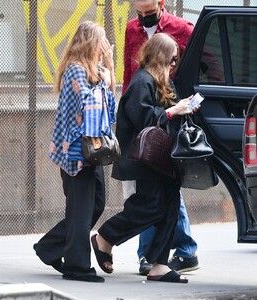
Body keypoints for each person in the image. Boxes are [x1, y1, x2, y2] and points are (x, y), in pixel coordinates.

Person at [91, 32, 199, 284]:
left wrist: (186, 107)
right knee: (150, 206)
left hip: (164, 158)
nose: (174, 65)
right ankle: (105, 237)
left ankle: (160, 264)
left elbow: (170, 112)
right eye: (171, 59)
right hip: (145, 158)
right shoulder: (142, 81)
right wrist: (173, 111)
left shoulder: (164, 82)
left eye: (176, 61)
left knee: (170, 206)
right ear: (160, 56)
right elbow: (142, 119)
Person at [33, 21, 116, 283]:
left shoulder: (94, 72)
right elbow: (91, 109)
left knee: (96, 203)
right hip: (76, 152)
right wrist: (104, 77)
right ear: (91, 43)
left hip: (92, 150)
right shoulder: (76, 71)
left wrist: (109, 68)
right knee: (81, 210)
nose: (104, 46)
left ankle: (49, 246)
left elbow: (109, 104)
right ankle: (77, 267)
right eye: (101, 41)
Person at [122, 0, 199, 275]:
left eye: (149, 11)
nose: (143, 17)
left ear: (162, 3)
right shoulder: (132, 29)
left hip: (170, 112)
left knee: (162, 187)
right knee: (154, 187)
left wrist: (184, 103)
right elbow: (131, 74)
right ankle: (155, 255)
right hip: (149, 113)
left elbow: (203, 66)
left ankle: (173, 251)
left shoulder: (182, 28)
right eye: (139, 11)